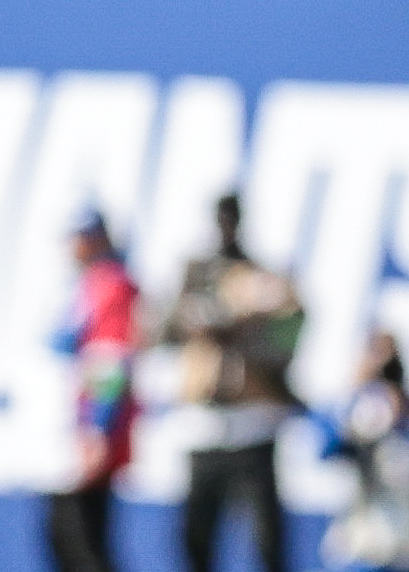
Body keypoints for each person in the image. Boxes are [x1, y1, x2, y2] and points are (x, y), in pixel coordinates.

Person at [160, 193, 304, 572]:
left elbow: (290, 339)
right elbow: (162, 332)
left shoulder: (264, 277)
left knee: (267, 541)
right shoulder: (194, 275)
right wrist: (201, 320)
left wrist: (247, 327)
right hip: (203, 427)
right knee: (196, 540)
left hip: (252, 426)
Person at [315, 332, 409, 572]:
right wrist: (354, 412)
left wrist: (404, 421)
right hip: (368, 546)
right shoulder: (347, 415)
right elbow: (324, 451)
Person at [47, 212, 139, 572]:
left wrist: (98, 428)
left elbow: (111, 360)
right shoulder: (83, 284)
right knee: (64, 539)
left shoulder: (110, 285)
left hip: (91, 433)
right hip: (72, 430)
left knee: (81, 542)